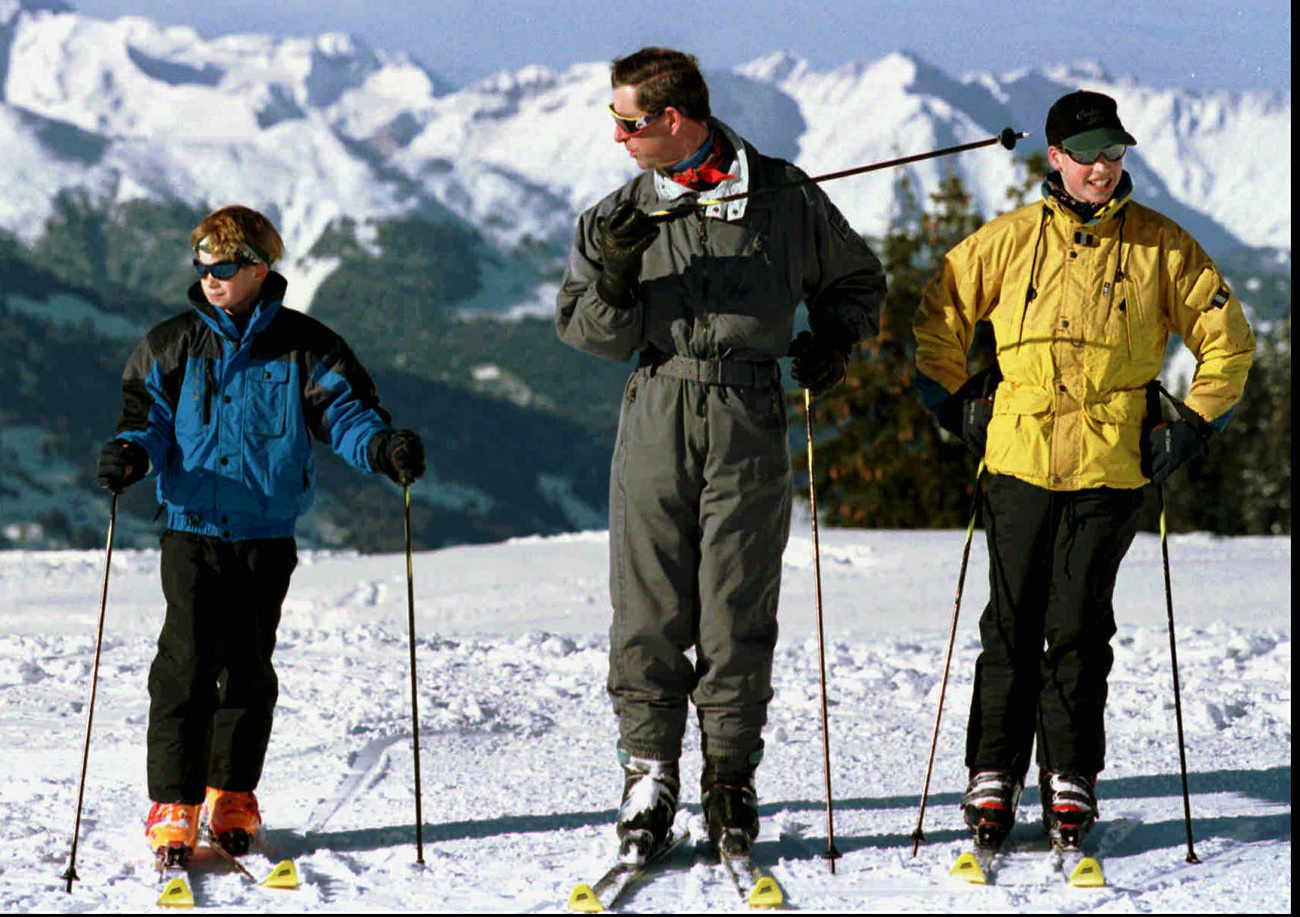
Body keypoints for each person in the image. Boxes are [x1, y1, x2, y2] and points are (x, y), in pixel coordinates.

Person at [556, 47, 885, 860]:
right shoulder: (617, 214)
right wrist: (619, 272)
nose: (619, 137)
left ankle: (730, 775)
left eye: (629, 122)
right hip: (657, 402)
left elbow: (858, 282)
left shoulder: (782, 194)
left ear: (675, 119)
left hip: (748, 408)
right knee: (647, 605)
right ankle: (649, 772)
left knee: (736, 605)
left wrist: (834, 341)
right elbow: (587, 333)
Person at [912, 90, 1255, 847]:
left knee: (1077, 626)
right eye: (1090, 153)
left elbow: (1228, 340)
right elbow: (937, 313)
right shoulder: (1005, 241)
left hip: (1112, 464)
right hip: (1017, 457)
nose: (1105, 167)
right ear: (1056, 158)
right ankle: (991, 775)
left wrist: (1194, 425)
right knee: (1010, 625)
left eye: (1115, 152)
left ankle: (1072, 773)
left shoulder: (1162, 246)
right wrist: (955, 400)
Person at [96, 205, 426, 864]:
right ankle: (174, 801)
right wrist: (131, 455)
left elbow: (349, 416)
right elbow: (147, 420)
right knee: (185, 667)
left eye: (224, 267)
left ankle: (232, 793)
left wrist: (384, 447)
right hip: (190, 528)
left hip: (264, 533)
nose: (210, 279)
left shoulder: (307, 346)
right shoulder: (172, 343)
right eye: (203, 267)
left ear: (259, 268)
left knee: (246, 668)